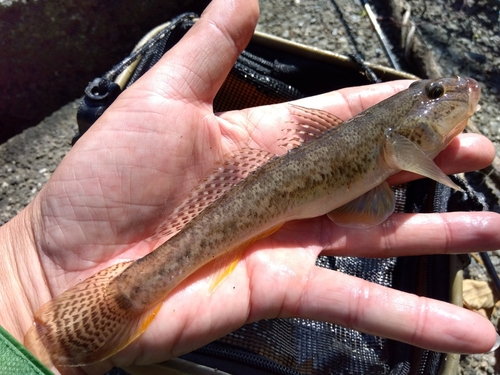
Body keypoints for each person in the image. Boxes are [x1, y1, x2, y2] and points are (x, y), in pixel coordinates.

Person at [1, 0, 499, 373]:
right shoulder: (396, 137)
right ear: (401, 133)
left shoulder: (394, 139)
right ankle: (123, 296)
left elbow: (364, 204)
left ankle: (87, 313)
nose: (449, 94)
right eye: (434, 93)